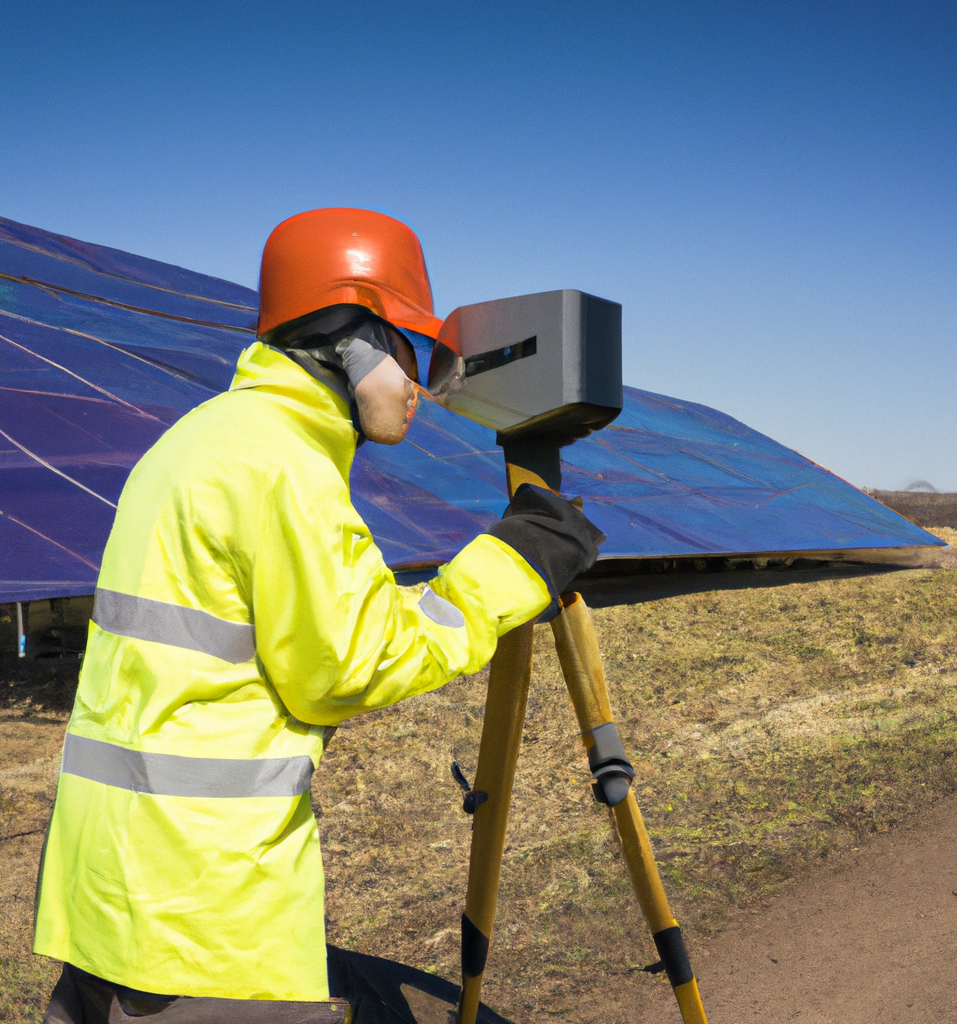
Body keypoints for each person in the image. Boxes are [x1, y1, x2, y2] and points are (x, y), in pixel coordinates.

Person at [34, 209, 604, 1021]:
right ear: (350, 337)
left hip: (109, 888)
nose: (420, 386)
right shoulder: (283, 468)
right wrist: (517, 563)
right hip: (207, 910)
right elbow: (350, 665)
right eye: (409, 349)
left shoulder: (199, 440)